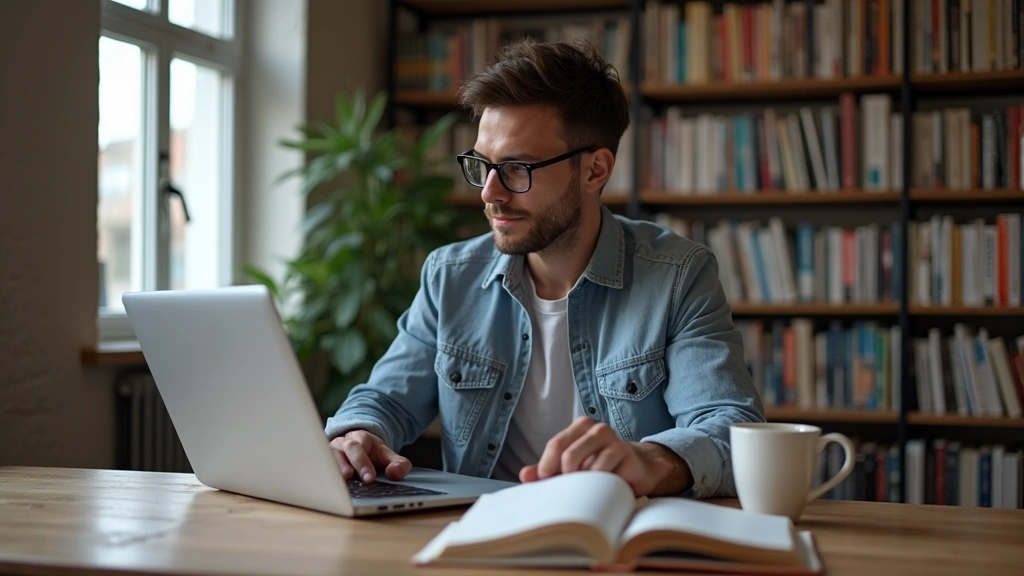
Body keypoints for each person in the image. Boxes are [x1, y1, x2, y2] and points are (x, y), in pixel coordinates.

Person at [324, 38, 764, 499]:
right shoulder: (450, 277)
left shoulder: (677, 278)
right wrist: (358, 433)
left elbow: (732, 429)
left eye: (517, 168)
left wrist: (653, 460)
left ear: (595, 170)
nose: (489, 193)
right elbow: (387, 399)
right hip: (482, 539)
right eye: (483, 165)